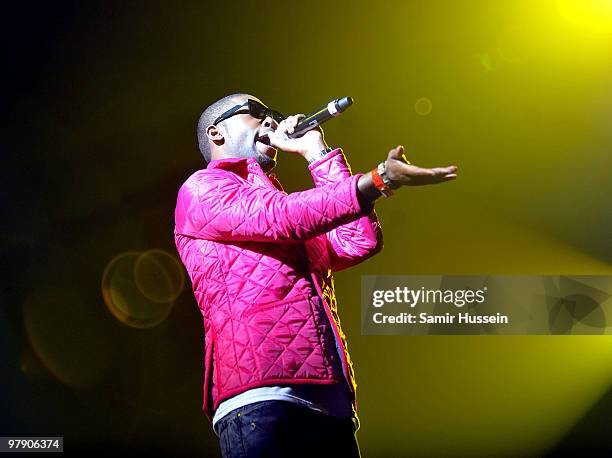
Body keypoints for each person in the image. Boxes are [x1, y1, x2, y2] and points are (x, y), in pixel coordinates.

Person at [174, 93, 458, 458]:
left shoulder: (281, 205)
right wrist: (378, 179)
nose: (271, 122)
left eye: (272, 115)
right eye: (257, 113)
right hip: (263, 398)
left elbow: (357, 241)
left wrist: (316, 153)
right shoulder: (202, 190)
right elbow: (283, 217)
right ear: (216, 133)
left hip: (328, 397)